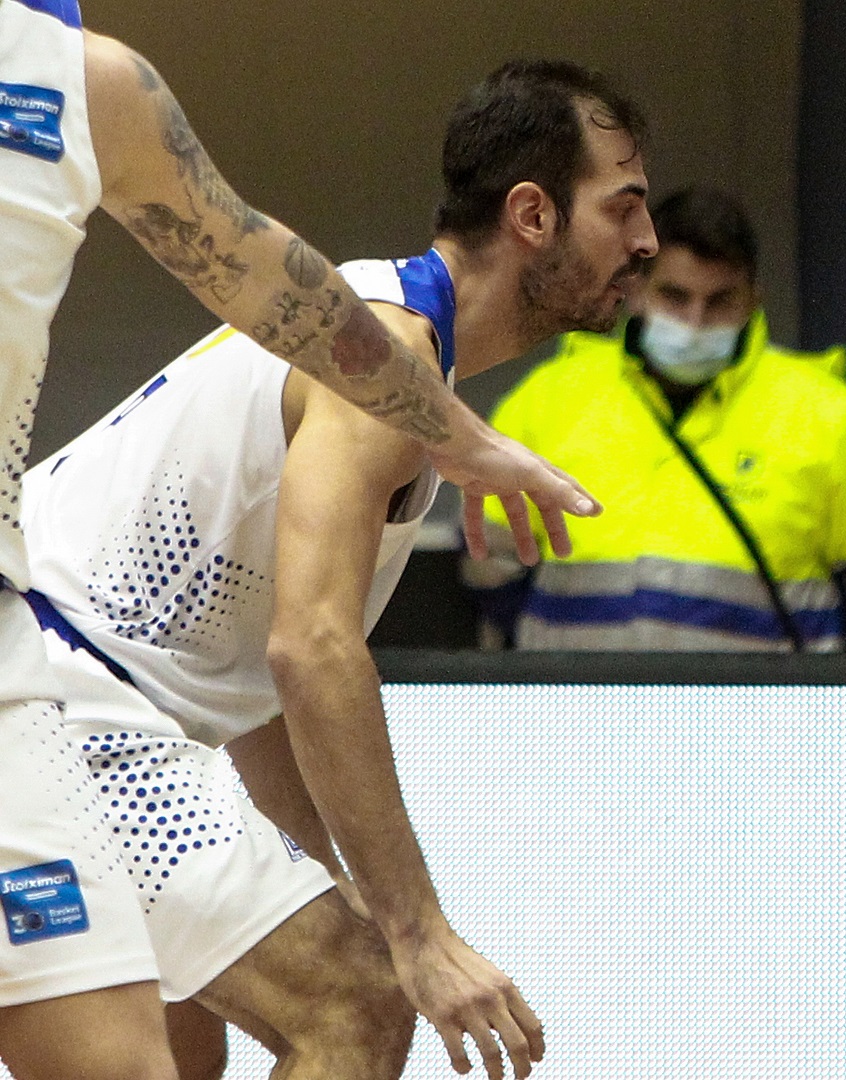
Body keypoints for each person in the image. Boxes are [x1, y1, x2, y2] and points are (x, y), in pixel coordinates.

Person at [21, 58, 657, 1080]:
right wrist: (416, 930)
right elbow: (311, 651)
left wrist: (338, 879)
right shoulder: (385, 362)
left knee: (189, 1045)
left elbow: (257, 682)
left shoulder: (382, 332)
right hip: (61, 692)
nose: (647, 239)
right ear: (533, 215)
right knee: (355, 1002)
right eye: (623, 207)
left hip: (74, 683)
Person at [465, 185, 846, 652]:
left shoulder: (834, 417)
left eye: (719, 300)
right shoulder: (549, 400)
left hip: (765, 701)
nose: (695, 321)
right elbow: (488, 554)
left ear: (753, 299)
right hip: (577, 697)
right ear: (635, 290)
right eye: (675, 296)